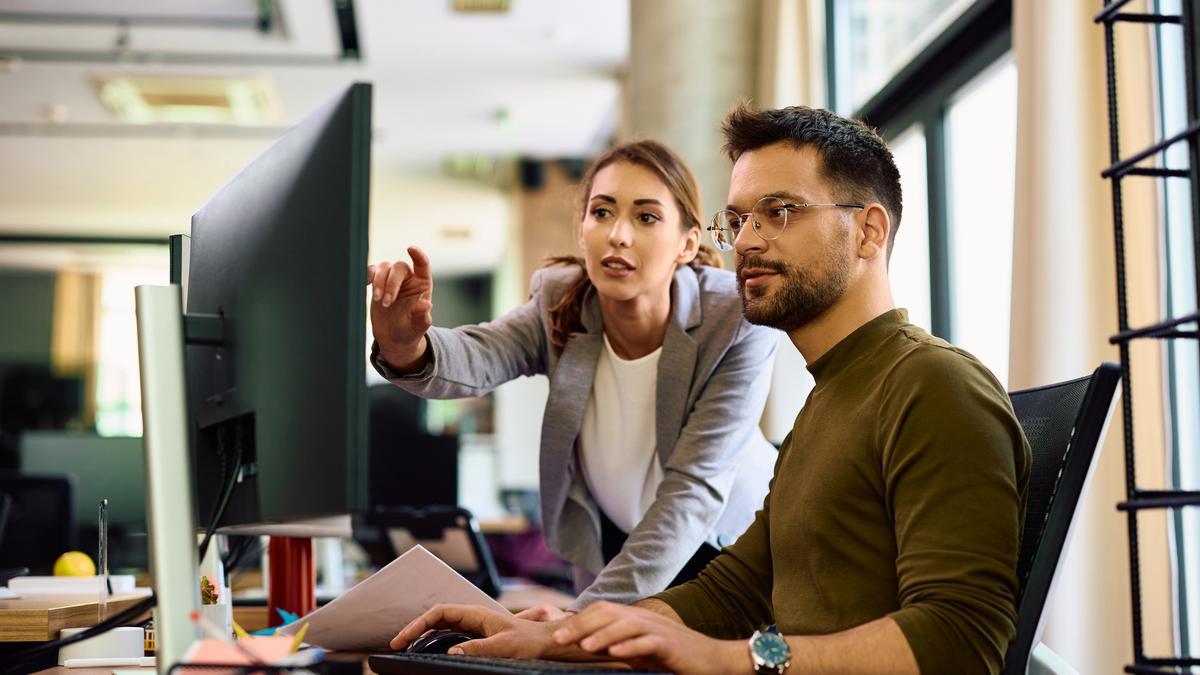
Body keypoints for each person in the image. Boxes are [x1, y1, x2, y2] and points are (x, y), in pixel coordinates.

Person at [390, 105, 1032, 675]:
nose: (747, 240)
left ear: (868, 231)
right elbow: (734, 590)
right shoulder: (825, 403)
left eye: (779, 212)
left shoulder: (934, 383)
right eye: (740, 219)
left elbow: (962, 641)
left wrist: (729, 659)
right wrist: (560, 636)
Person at [367, 139, 779, 610]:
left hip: (729, 551)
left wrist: (580, 618)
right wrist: (406, 345)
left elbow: (694, 491)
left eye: (646, 217)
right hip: (619, 546)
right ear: (582, 231)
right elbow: (480, 354)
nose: (618, 234)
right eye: (601, 212)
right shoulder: (561, 302)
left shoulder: (734, 319)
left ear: (686, 244)